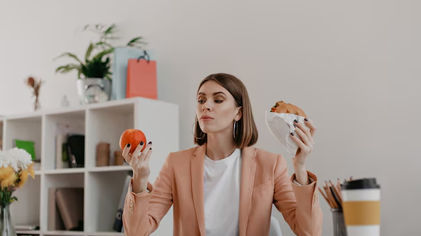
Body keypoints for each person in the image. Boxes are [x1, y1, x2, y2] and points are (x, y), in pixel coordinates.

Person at [122, 73, 323, 236]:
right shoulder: (177, 164)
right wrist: (139, 180)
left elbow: (309, 232)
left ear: (238, 112)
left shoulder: (270, 164)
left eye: (218, 100)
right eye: (201, 100)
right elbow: (137, 232)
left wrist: (300, 167)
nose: (205, 106)